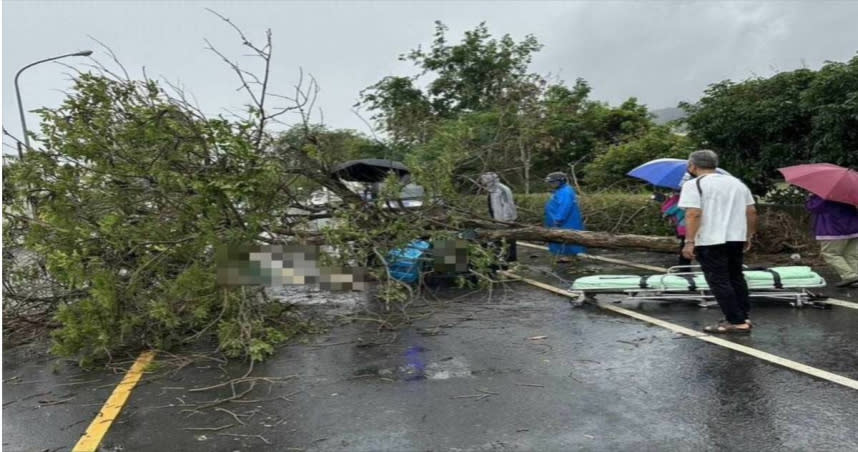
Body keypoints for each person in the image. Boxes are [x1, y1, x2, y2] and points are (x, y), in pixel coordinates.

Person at [679, 150, 757, 334]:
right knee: (736, 277)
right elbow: (752, 211)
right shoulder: (737, 183)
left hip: (709, 239)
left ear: (693, 166)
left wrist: (689, 241)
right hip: (735, 238)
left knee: (719, 281)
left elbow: (693, 213)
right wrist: (749, 235)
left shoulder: (693, 185)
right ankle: (742, 315)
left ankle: (736, 321)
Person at [806, 194, 858, 287]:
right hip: (853, 227)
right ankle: (855, 276)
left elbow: (814, 207)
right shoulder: (849, 192)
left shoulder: (824, 194)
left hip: (833, 230)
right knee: (851, 255)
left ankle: (850, 276)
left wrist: (812, 197)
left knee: (830, 253)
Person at [544, 171, 586, 263]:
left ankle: (569, 256)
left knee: (567, 237)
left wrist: (559, 219)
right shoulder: (561, 190)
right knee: (561, 238)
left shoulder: (565, 191)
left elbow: (565, 206)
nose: (551, 184)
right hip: (560, 219)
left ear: (561, 181)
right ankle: (564, 255)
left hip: (565, 221)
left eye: (553, 182)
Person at [478, 172, 518, 263]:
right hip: (497, 219)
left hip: (505, 220)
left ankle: (511, 259)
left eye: (485, 181)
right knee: (499, 239)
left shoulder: (502, 190)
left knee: (509, 239)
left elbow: (508, 205)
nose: (483, 183)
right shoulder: (491, 191)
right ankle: (501, 256)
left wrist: (508, 220)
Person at [655, 188, 691, 268]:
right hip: (689, 227)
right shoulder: (685, 198)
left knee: (686, 249)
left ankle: (684, 270)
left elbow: (668, 211)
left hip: (685, 228)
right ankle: (684, 269)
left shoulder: (678, 199)